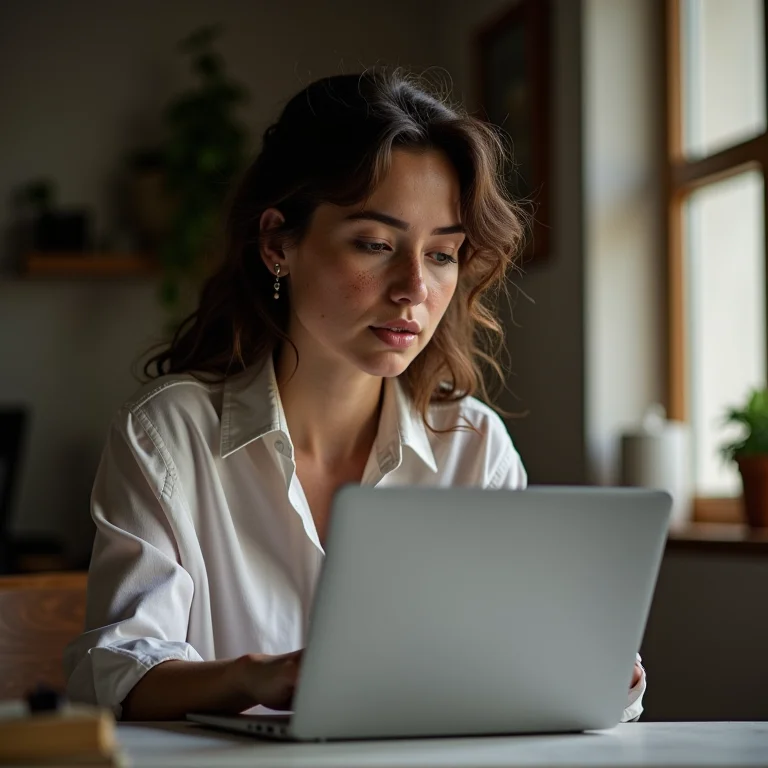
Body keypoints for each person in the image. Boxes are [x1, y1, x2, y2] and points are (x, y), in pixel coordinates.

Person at [64, 69, 645, 722]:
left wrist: (589, 667)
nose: (413, 289)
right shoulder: (169, 436)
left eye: (443, 255)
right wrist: (266, 677)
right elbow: (116, 672)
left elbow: (522, 679)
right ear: (278, 242)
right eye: (374, 244)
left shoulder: (472, 447)